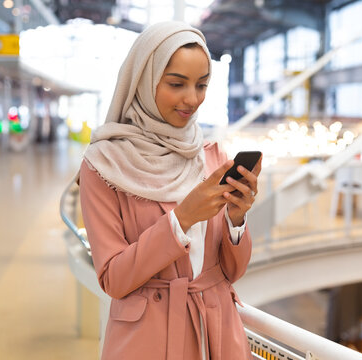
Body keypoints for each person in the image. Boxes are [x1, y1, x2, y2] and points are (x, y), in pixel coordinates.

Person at [78, 21, 261, 360]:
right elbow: (113, 279)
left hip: (218, 337)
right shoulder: (103, 165)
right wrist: (182, 219)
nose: (192, 99)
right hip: (147, 341)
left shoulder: (209, 157)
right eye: (177, 83)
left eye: (202, 85)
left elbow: (231, 273)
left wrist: (237, 219)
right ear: (143, 81)